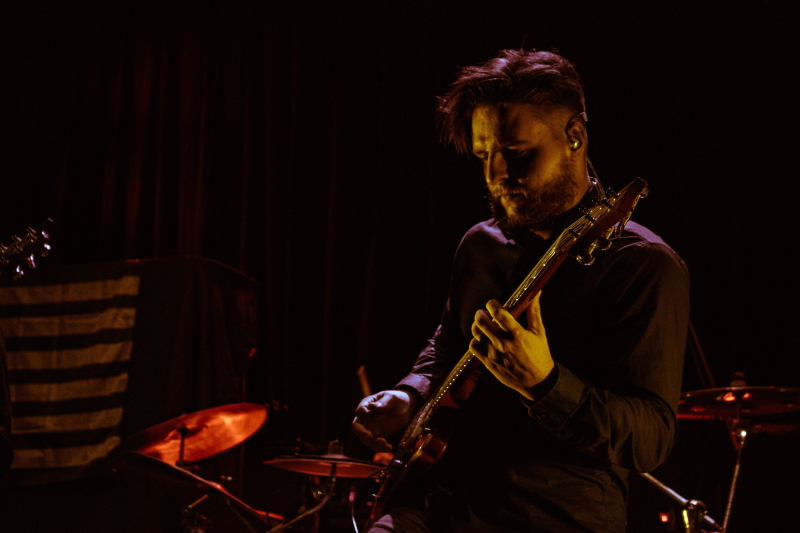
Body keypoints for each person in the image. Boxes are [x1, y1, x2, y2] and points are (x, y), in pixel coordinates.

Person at [352, 49, 689, 533]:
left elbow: (651, 437)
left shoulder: (643, 266)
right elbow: (448, 347)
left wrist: (545, 383)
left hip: (553, 519)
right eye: (485, 156)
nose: (495, 176)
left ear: (575, 136)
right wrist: (408, 395)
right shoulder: (480, 244)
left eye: (516, 153)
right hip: (440, 504)